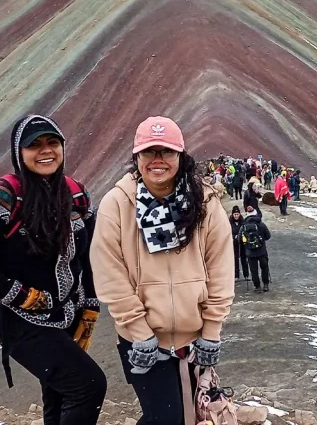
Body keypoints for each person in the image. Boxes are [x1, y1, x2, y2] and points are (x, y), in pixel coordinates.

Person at [0, 114, 106, 425]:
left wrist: (90, 307)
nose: (45, 151)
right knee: (89, 386)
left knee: (60, 397)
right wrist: (24, 295)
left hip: (67, 315)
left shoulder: (77, 195)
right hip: (20, 321)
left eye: (52, 143)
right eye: (34, 145)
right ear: (18, 152)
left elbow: (89, 256)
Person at [90, 116, 234, 425]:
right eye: (149, 152)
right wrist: (139, 332)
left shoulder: (205, 204)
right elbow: (109, 273)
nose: (158, 160)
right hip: (140, 340)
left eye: (166, 152)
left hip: (193, 340)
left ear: (181, 157)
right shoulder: (116, 204)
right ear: (136, 157)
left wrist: (211, 332)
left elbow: (220, 270)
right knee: (167, 418)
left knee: (182, 416)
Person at [240, 206, 272, 293]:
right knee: (264, 267)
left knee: (254, 270)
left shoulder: (244, 226)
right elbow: (268, 236)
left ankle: (257, 286)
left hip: (250, 252)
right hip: (262, 251)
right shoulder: (261, 224)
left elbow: (239, 238)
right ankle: (265, 284)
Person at [229, 205, 249, 282]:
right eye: (235, 214)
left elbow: (245, 231)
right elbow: (228, 232)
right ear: (232, 214)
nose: (236, 216)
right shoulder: (229, 222)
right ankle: (236, 276)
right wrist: (234, 237)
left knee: (244, 259)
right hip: (234, 243)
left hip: (242, 243)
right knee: (235, 259)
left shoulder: (243, 222)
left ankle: (246, 275)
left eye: (237, 214)